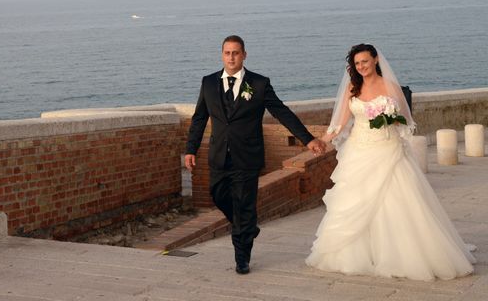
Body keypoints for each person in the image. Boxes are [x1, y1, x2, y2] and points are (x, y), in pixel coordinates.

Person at [306, 43, 475, 281]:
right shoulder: (353, 88)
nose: (361, 66)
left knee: (397, 200)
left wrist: (391, 119)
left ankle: (403, 253)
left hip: (388, 149)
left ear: (375, 60)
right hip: (359, 151)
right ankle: (361, 254)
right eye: (357, 63)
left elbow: (406, 121)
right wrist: (323, 140)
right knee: (357, 198)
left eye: (365, 61)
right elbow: (341, 122)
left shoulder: (390, 87)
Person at [185, 35, 326, 274]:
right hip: (219, 155)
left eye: (236, 53)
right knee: (217, 195)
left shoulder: (259, 84)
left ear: (244, 55)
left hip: (247, 157)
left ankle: (242, 257)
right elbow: (200, 118)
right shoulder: (208, 83)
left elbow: (282, 112)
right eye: (227, 53)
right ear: (222, 55)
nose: (231, 57)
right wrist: (190, 148)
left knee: (244, 204)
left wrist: (308, 139)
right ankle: (247, 226)